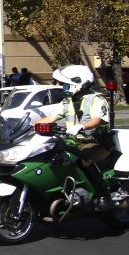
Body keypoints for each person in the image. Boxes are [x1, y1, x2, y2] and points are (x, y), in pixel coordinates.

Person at [34, 65, 114, 210]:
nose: (60, 86)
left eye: (64, 83)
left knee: (83, 158)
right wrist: (28, 125)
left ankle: (104, 196)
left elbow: (97, 120)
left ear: (78, 83)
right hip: (74, 142)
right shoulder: (67, 102)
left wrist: (83, 126)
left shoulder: (96, 99)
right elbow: (50, 118)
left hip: (96, 143)